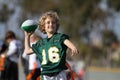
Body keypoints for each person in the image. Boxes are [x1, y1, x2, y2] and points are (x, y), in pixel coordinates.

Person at [24, 11, 79, 80]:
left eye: (53, 22)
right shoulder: (41, 43)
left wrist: (73, 47)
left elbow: (66, 41)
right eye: (48, 22)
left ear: (56, 25)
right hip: (45, 74)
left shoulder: (59, 37)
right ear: (43, 26)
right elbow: (27, 51)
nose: (51, 24)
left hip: (59, 72)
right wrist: (27, 37)